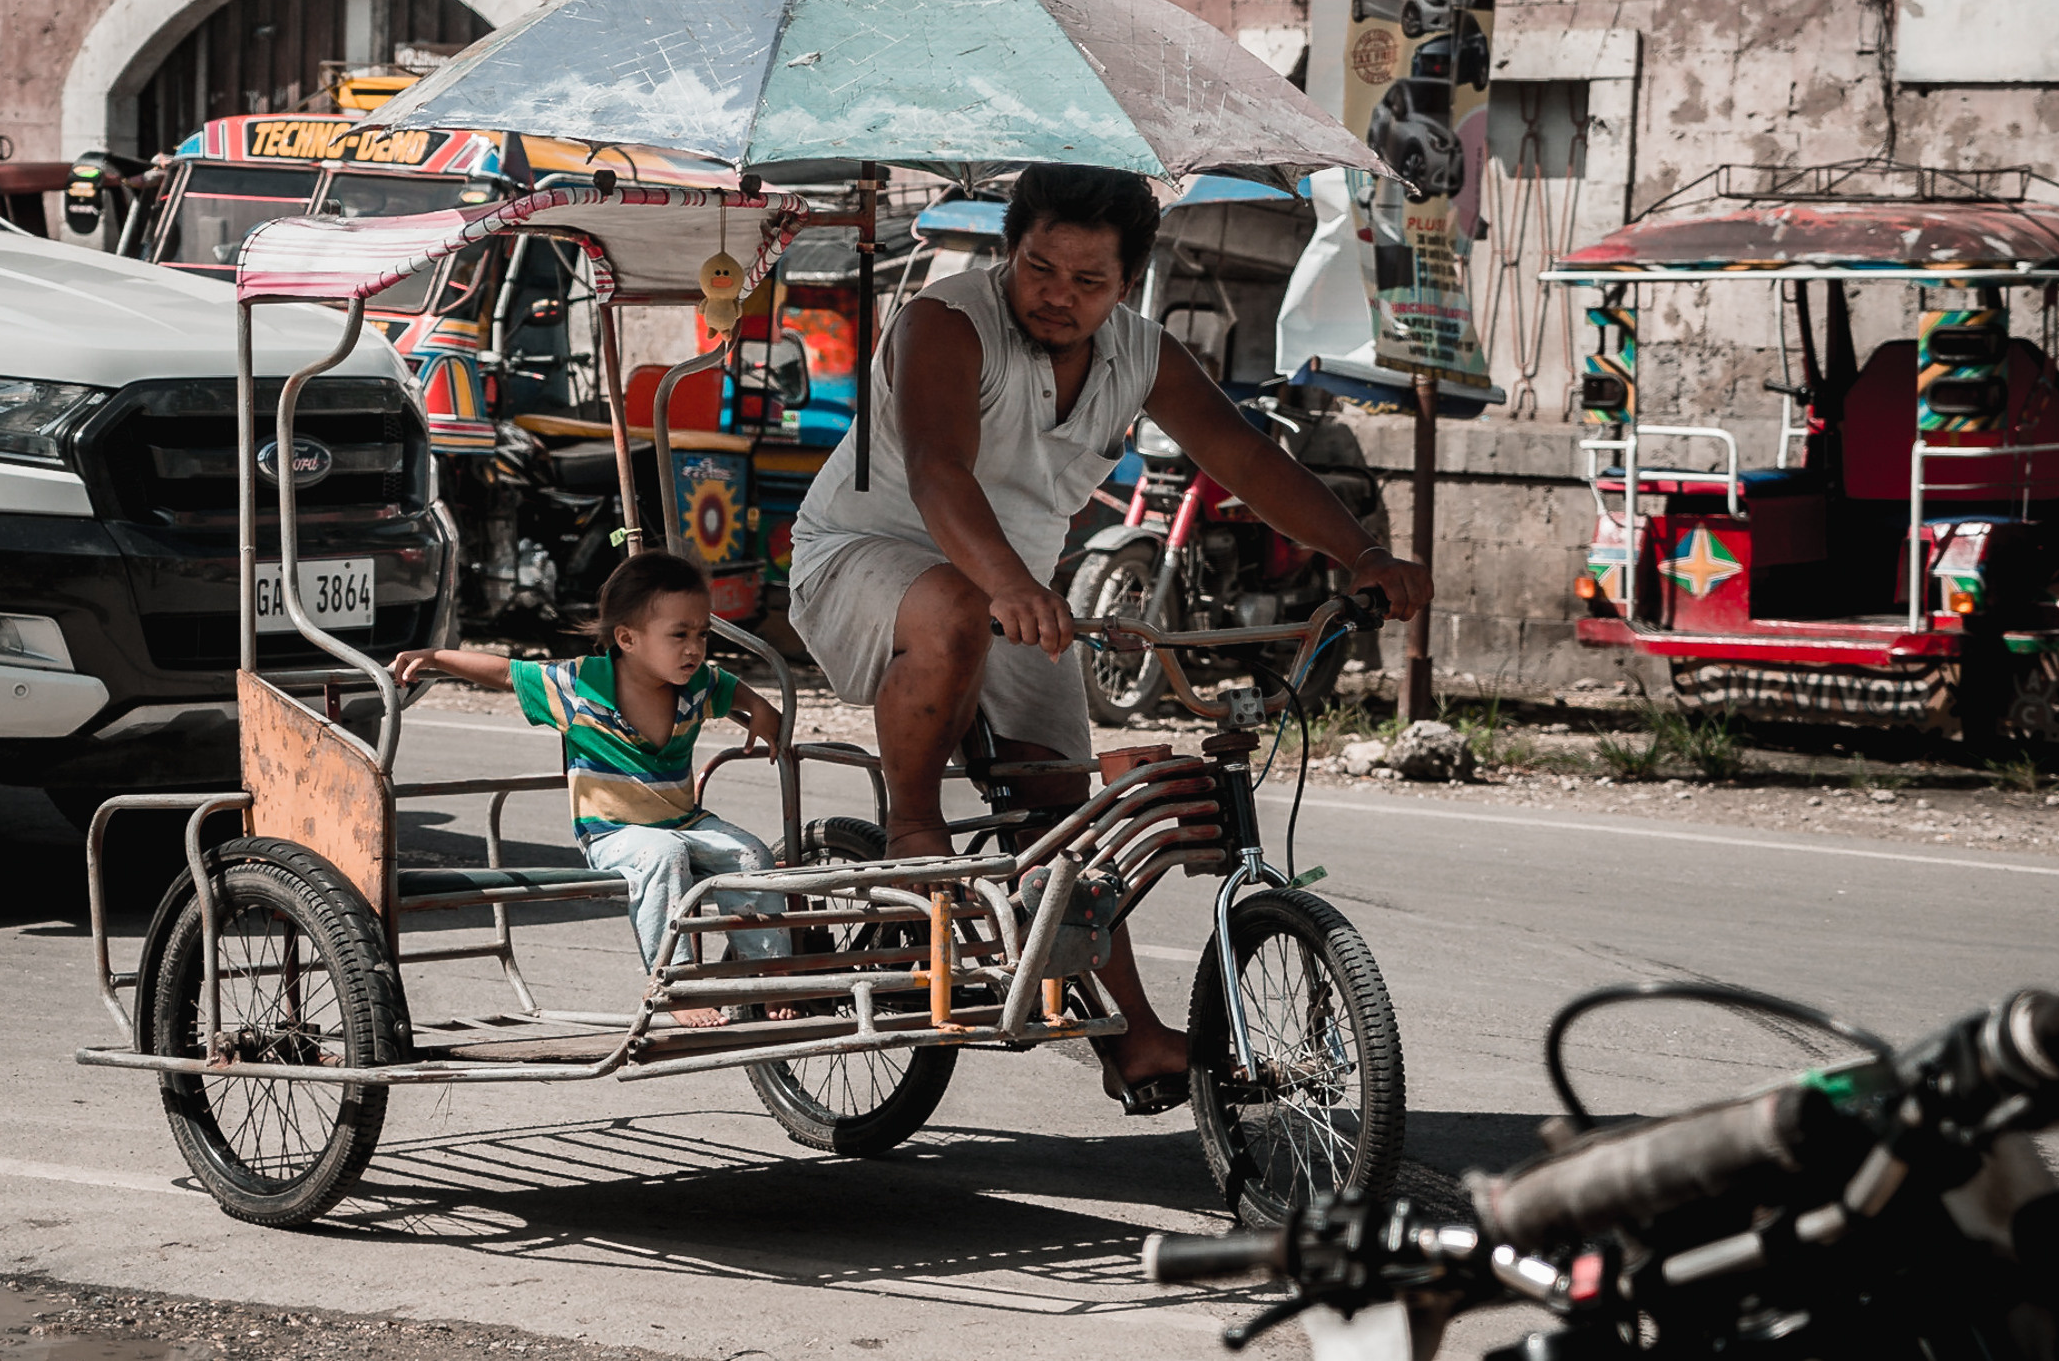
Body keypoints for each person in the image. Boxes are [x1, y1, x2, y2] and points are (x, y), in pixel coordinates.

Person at [786, 163, 1434, 1112]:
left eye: (1089, 281)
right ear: (1009, 251)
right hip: (864, 558)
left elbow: (1244, 456)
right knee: (957, 608)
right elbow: (935, 469)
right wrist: (1011, 582)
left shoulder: (1141, 353)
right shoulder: (945, 322)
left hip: (1008, 592)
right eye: (1039, 269)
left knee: (1065, 812)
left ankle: (1130, 1036)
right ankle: (912, 823)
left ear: (1129, 281)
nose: (1058, 296)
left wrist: (1362, 553)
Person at [392, 550, 792, 1029]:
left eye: (702, 634)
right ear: (627, 638)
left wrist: (761, 709)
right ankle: (674, 983)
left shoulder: (698, 684)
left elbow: (732, 687)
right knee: (663, 855)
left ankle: (770, 972)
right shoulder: (579, 685)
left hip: (685, 822)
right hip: (613, 833)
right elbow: (505, 672)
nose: (695, 648)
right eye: (679, 635)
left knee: (750, 854)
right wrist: (435, 658)